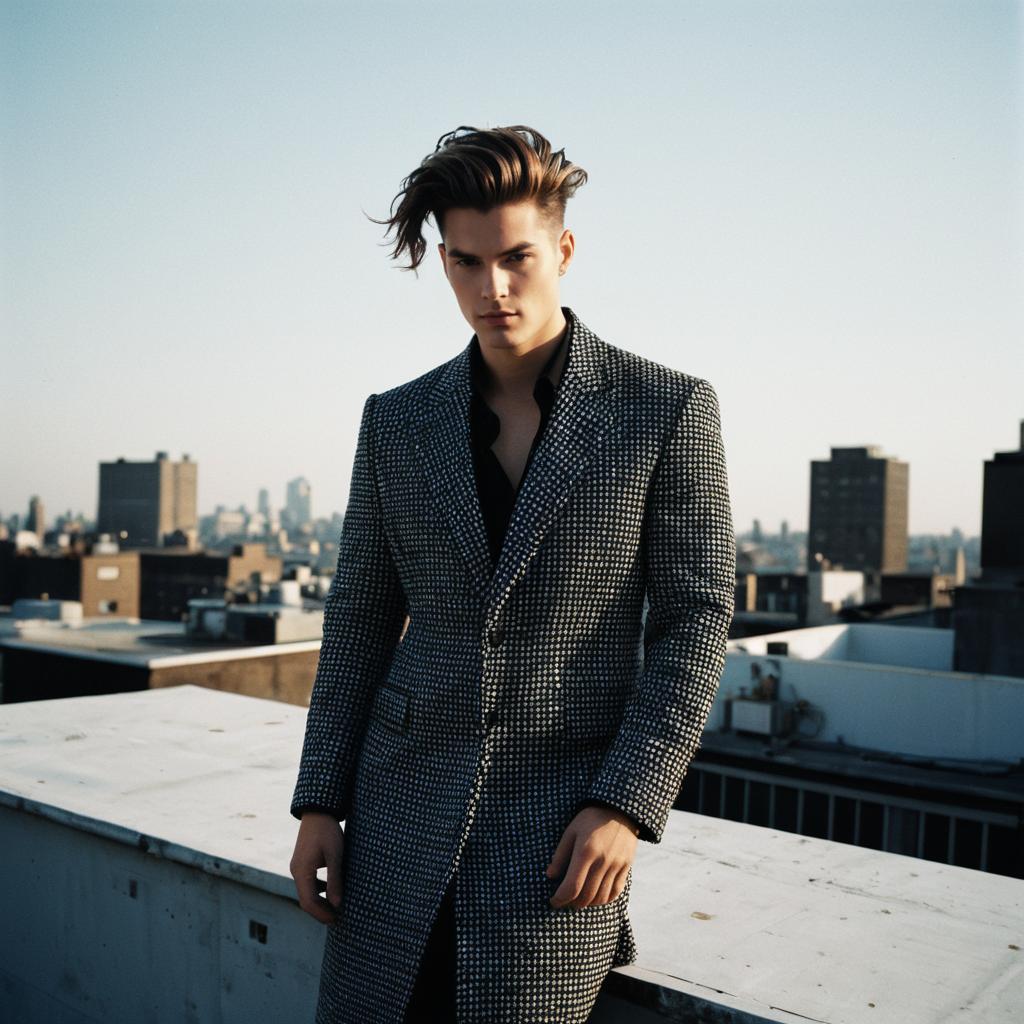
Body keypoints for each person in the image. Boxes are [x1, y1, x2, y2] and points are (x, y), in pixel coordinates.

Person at [289, 125, 736, 1024]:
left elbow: (696, 619)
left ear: (563, 250)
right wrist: (319, 804)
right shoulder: (396, 421)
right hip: (395, 814)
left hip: (561, 829)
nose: (491, 289)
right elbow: (361, 620)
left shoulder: (666, 409)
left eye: (516, 258)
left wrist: (626, 805)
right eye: (464, 263)